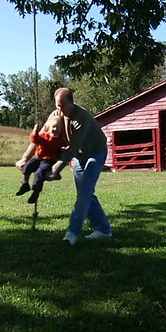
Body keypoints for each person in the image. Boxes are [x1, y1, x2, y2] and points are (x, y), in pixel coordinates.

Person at [19, 87, 111, 245]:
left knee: (85, 194)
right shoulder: (55, 115)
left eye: (62, 106)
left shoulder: (81, 118)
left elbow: (72, 149)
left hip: (95, 153)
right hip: (79, 156)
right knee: (85, 193)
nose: (59, 110)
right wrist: (24, 158)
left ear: (72, 103)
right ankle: (103, 230)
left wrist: (55, 170)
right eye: (57, 106)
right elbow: (40, 138)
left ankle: (72, 234)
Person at [15, 115, 67, 204]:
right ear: (49, 128)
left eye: (58, 128)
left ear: (61, 130)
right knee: (28, 165)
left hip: (49, 161)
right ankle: (25, 184)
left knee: (40, 173)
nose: (55, 129)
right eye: (54, 127)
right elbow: (34, 140)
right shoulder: (44, 135)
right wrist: (35, 131)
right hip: (39, 158)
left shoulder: (60, 140)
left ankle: (36, 191)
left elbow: (65, 148)